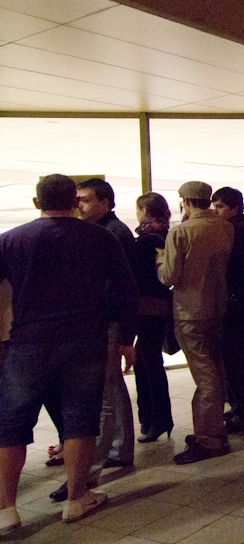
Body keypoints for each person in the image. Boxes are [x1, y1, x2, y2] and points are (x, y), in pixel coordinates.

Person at [0, 174, 136, 530]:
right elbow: (125, 289)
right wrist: (126, 338)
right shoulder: (100, 237)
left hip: (28, 341)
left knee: (12, 424)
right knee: (80, 420)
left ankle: (6, 509)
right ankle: (77, 499)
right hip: (84, 339)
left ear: (36, 202)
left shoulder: (11, 240)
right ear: (75, 202)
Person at [157, 181, 234, 465]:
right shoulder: (225, 227)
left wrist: (159, 261)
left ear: (186, 201)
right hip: (217, 308)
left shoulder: (181, 232)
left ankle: (209, 439)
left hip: (190, 311)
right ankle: (213, 428)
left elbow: (169, 277)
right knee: (216, 370)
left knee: (205, 379)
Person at [73, 179, 137, 472]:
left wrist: (125, 333)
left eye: (85, 200)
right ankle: (120, 448)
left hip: (109, 320)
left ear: (106, 202)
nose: (79, 205)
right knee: (113, 387)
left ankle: (91, 466)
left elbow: (121, 287)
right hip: (109, 320)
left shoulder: (112, 234)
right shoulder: (106, 232)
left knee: (106, 393)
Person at [211, 187, 244, 433]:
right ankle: (242, 407)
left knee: (235, 357)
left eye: (219, 207)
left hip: (236, 300)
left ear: (234, 208)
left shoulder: (236, 230)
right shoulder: (242, 228)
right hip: (239, 299)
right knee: (235, 356)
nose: (215, 211)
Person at [132, 193, 175, 442]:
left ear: (145, 210)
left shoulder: (147, 241)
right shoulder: (165, 236)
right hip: (158, 305)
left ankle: (157, 419)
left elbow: (144, 276)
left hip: (148, 307)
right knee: (147, 359)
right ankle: (157, 419)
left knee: (148, 361)